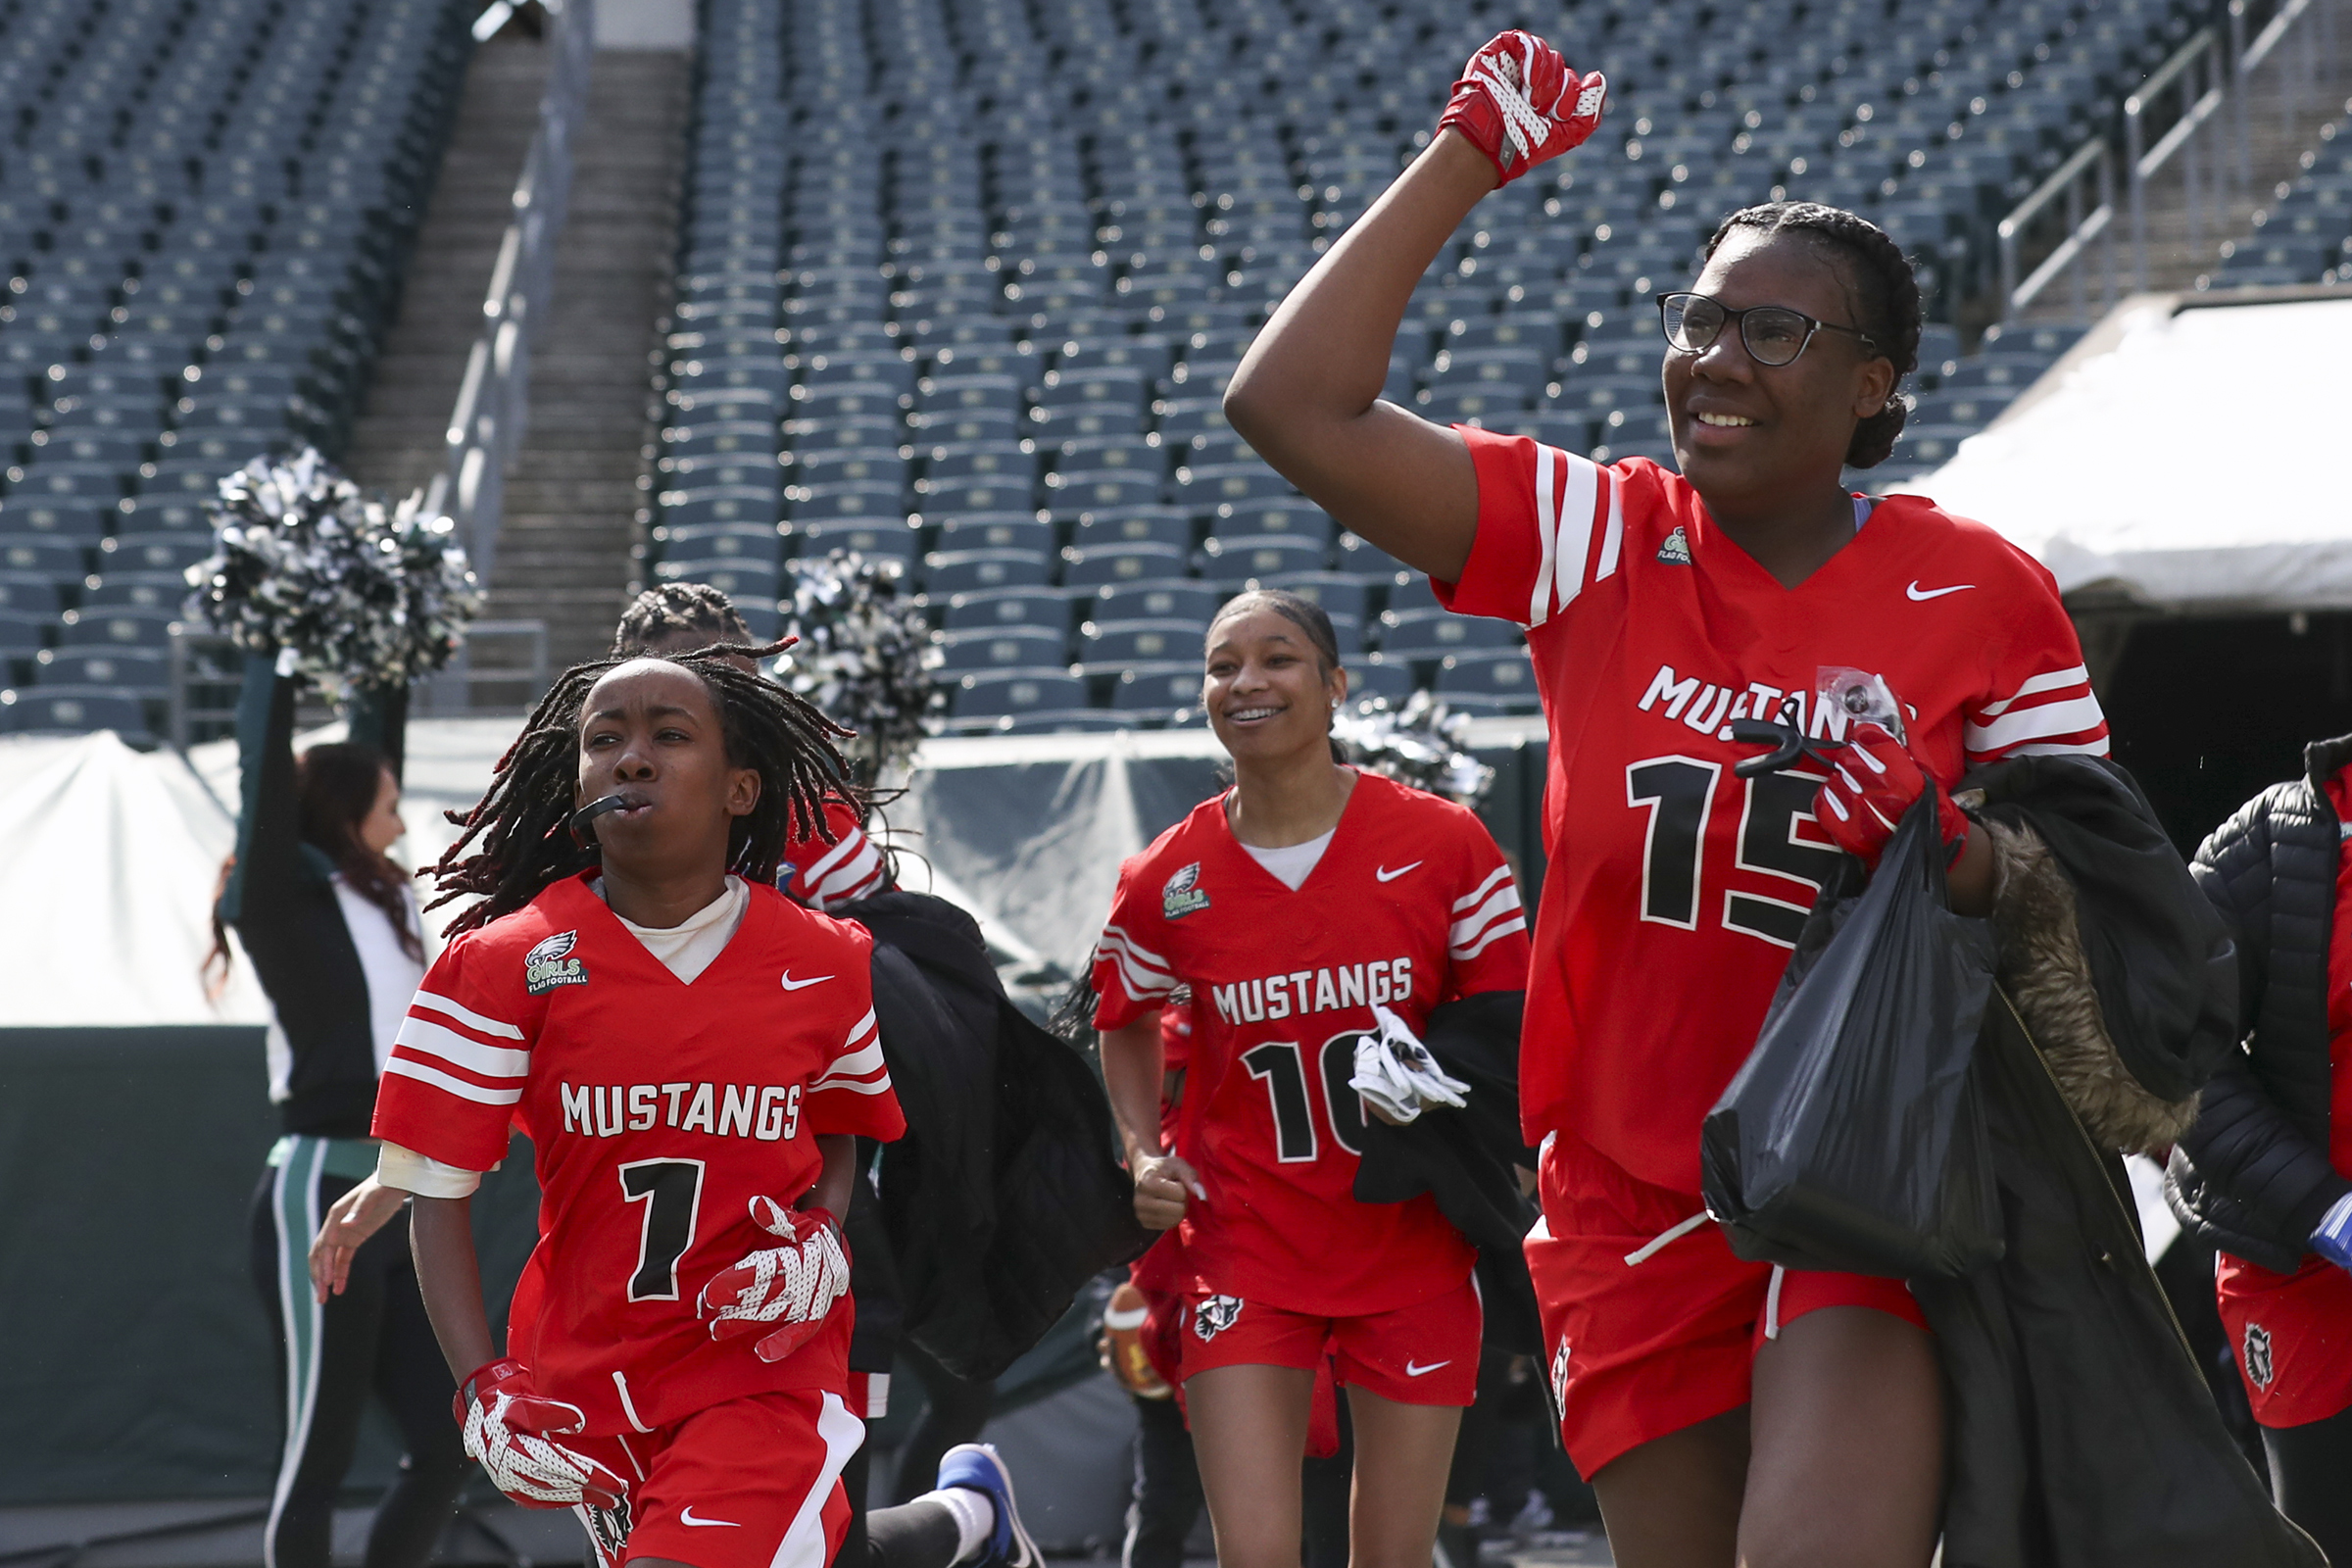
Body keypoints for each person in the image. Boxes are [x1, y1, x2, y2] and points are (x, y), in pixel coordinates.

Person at [1221, 32, 2120, 1566]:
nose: (1713, 358)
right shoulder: (1597, 535)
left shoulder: (1980, 590)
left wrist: (1943, 841)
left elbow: (2094, 912)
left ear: (1872, 384)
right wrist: (1468, 158)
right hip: (1625, 1202)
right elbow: (1288, 405)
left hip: (1868, 1175)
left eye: (1773, 330)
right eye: (1697, 320)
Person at [362, 644, 1028, 1568]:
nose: (632, 757)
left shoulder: (827, 957)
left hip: (761, 1369)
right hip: (591, 1381)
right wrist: (483, 1382)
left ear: (741, 790)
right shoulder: (497, 962)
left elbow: (838, 1127)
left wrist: (821, 1237)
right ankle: (976, 1525)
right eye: (605, 740)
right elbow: (439, 1192)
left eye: (669, 736)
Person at [1090, 588, 1532, 1568]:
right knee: (1255, 1554)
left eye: (1277, 658)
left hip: (1410, 1243)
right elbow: (1119, 1020)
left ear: (1335, 685)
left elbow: (1509, 1031)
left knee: (1391, 1555)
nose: (1245, 680)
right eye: (1221, 664)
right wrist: (1140, 1148)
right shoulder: (1168, 875)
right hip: (1246, 1240)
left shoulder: (1443, 842)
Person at [210, 653, 466, 1568]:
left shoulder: (387, 889)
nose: (402, 819)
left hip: (399, 1195)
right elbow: (265, 773)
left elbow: (371, 741)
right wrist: (276, 651)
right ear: (344, 811)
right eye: (389, 802)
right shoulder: (280, 894)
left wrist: (387, 648)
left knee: (448, 1447)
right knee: (313, 1457)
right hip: (321, 1191)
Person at [2168, 731, 2352, 1564]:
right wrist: (2327, 1210)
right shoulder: (2273, 842)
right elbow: (2165, 1046)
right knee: (2322, 1537)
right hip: (2300, 1265)